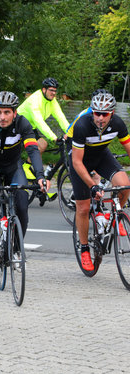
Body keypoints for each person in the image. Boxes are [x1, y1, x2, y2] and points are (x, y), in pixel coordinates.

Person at [0, 91, 47, 257]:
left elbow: (33, 150)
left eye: (7, 112)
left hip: (13, 166)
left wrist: (40, 176)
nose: (2, 117)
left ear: (15, 113)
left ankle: (15, 247)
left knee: (22, 202)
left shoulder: (23, 124)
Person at [70, 92, 130, 272]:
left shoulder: (118, 123)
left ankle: (115, 216)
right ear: (92, 112)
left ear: (112, 113)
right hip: (79, 161)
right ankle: (85, 249)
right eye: (97, 113)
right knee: (83, 207)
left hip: (101, 156)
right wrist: (92, 185)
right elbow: (77, 162)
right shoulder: (82, 125)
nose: (100, 117)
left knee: (124, 184)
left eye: (104, 114)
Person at [17, 77, 69, 155]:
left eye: (55, 91)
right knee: (15, 151)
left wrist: (70, 132)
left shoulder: (52, 101)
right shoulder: (35, 100)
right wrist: (54, 138)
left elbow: (61, 117)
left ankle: (27, 166)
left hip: (30, 127)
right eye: (51, 90)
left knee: (42, 145)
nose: (54, 93)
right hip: (17, 125)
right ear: (44, 90)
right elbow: (39, 121)